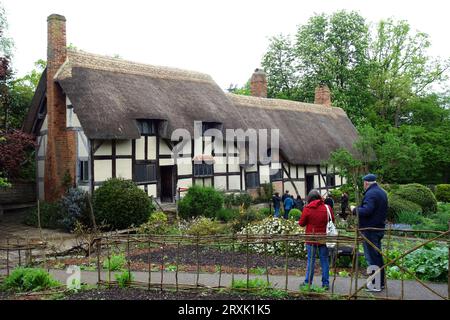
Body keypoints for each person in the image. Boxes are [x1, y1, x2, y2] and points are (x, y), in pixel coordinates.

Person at [351, 174, 388, 292]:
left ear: (366, 183)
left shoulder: (371, 194)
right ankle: (380, 283)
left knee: (372, 257)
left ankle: (375, 284)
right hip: (378, 228)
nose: (363, 185)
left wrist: (354, 209)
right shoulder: (382, 192)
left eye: (363, 183)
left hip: (370, 230)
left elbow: (367, 210)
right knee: (377, 257)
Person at [299, 189, 334, 290]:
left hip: (311, 238)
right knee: (324, 260)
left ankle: (307, 283)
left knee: (311, 260)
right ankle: (325, 284)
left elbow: (301, 223)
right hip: (324, 238)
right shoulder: (327, 207)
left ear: (309, 198)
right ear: (319, 197)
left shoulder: (307, 208)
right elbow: (332, 220)